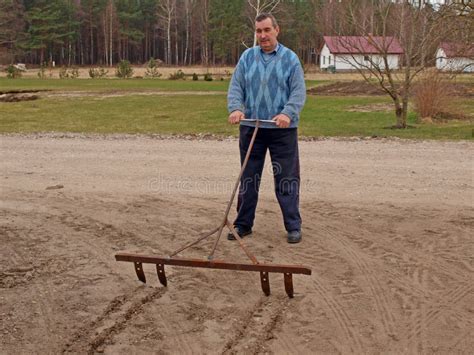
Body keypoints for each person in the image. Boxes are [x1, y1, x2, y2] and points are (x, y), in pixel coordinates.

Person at [227, 13, 306, 244]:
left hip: (282, 130)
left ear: (276, 30)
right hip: (252, 128)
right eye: (259, 31)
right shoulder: (247, 57)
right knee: (249, 178)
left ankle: (293, 226)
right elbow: (236, 87)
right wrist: (235, 108)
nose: (262, 35)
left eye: (267, 30)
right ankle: (243, 224)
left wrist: (287, 113)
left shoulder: (291, 59)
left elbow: (298, 92)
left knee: (286, 179)